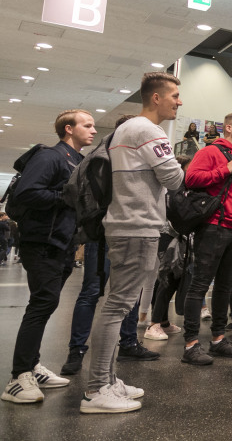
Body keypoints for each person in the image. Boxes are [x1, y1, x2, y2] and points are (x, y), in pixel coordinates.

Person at [81, 73, 186, 413]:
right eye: (174, 95)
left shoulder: (125, 130)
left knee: (115, 304)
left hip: (126, 224)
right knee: (116, 306)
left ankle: (107, 379)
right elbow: (173, 178)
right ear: (155, 98)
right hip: (136, 225)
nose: (179, 101)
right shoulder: (148, 130)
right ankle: (97, 389)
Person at [2, 109, 96, 404]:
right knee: (42, 303)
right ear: (69, 129)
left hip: (63, 243)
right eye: (87, 125)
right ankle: (18, 377)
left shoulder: (78, 161)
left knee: (46, 303)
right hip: (41, 242)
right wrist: (63, 199)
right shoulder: (50, 156)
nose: (93, 130)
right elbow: (28, 193)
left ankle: (32, 365)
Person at [62, 115, 161, 375]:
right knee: (96, 291)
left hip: (118, 230)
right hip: (106, 230)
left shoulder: (120, 155)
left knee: (126, 293)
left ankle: (127, 342)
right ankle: (77, 349)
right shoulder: (103, 154)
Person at [180, 112, 232, 365]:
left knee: (225, 286)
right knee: (200, 285)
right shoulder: (211, 151)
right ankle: (190, 345)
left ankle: (218, 340)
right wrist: (224, 170)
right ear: (229, 128)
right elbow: (190, 179)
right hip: (213, 227)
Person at [144, 155, 194, 341]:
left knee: (172, 278)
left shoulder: (183, 187)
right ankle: (153, 324)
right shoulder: (172, 187)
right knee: (167, 277)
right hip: (166, 235)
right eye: (190, 166)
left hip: (177, 236)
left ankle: (163, 322)